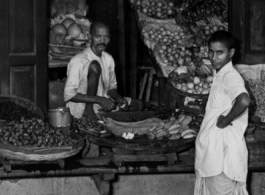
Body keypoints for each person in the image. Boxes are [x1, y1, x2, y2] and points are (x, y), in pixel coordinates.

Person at [194, 31, 250, 195]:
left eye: (220, 52)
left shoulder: (230, 76)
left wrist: (225, 120)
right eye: (211, 52)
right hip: (217, 156)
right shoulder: (220, 74)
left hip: (222, 158)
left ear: (231, 53)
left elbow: (244, 100)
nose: (214, 57)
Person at [64, 21, 144, 120]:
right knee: (94, 66)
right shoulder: (79, 60)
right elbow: (69, 94)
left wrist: (118, 99)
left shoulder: (108, 58)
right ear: (90, 36)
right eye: (98, 36)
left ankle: (105, 115)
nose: (102, 41)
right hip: (82, 107)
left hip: (104, 103)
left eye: (106, 37)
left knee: (138, 105)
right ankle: (88, 113)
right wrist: (99, 99)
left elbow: (111, 88)